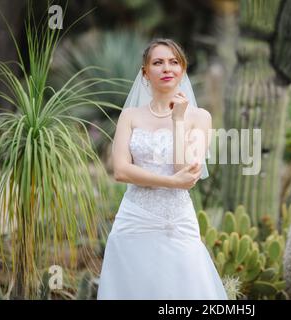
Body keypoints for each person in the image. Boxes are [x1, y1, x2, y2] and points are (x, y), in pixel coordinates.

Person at [97, 38, 228, 299]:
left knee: (183, 287)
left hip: (176, 219)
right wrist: (171, 182)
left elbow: (186, 170)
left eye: (173, 62)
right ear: (145, 72)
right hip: (134, 218)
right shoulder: (130, 116)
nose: (166, 68)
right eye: (158, 62)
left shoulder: (200, 117)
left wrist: (178, 119)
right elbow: (121, 170)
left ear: (182, 70)